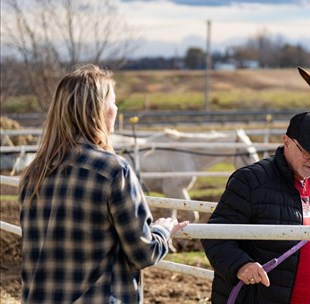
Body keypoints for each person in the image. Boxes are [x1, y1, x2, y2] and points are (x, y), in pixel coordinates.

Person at [18, 64, 188, 303]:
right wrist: (162, 230)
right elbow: (143, 253)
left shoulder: (33, 174)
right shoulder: (113, 171)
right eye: (113, 101)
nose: (116, 109)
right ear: (99, 110)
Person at [202, 110, 310, 304]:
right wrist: (241, 265)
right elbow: (214, 234)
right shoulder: (251, 181)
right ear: (286, 142)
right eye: (309, 151)